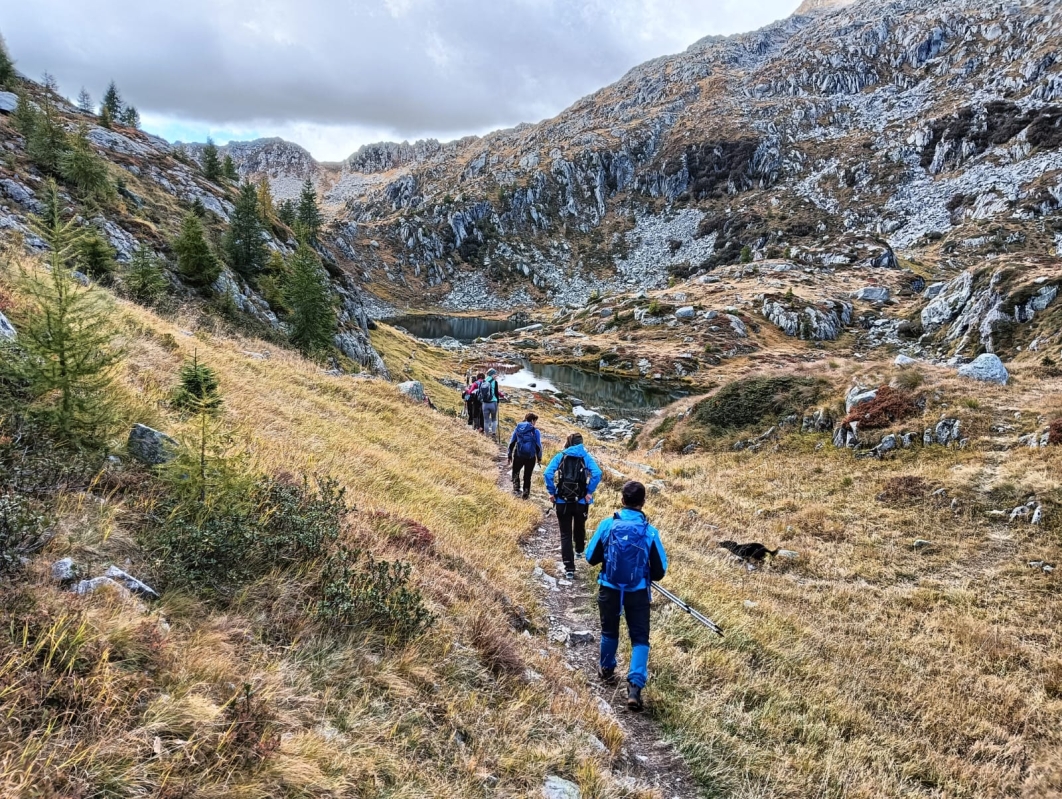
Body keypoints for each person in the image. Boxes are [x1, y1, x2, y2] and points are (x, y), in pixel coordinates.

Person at [585, 480, 668, 712]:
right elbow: (660, 571)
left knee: (609, 631)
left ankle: (607, 669)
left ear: (622, 500)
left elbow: (590, 557)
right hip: (638, 592)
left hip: (609, 588)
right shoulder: (649, 532)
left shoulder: (607, 525)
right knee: (640, 638)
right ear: (643, 503)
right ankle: (634, 688)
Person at [544, 432, 602, 580]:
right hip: (581, 500)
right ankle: (579, 549)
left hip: (562, 501)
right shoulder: (585, 457)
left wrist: (552, 492)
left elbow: (547, 473)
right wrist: (589, 492)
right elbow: (597, 473)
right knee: (580, 525)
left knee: (565, 534)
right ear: (581, 443)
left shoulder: (561, 456)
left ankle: (569, 568)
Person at [507, 413, 542, 499]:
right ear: (532, 420)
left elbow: (512, 442)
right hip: (531, 457)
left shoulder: (518, 428)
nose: (535, 423)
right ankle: (526, 492)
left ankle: (516, 489)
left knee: (515, 471)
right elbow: (538, 446)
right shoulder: (535, 431)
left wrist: (509, 454)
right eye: (535, 421)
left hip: (519, 455)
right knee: (527, 475)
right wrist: (539, 458)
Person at [478, 368, 503, 437]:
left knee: (486, 420)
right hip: (493, 403)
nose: (496, 375)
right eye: (495, 374)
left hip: (485, 403)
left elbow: (480, 393)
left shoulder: (483, 381)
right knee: (494, 419)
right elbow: (496, 393)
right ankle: (493, 432)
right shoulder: (495, 382)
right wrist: (497, 402)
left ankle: (486, 434)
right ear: (492, 374)